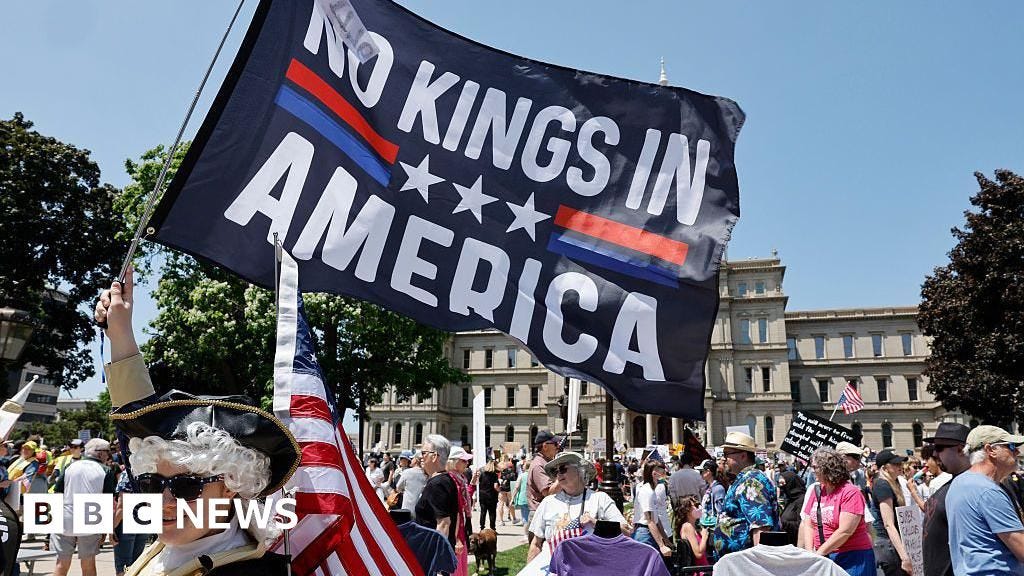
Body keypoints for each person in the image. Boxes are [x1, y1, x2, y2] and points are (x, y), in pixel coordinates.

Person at [96, 269, 299, 575]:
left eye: (186, 486)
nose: (162, 501)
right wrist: (120, 330)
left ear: (231, 487)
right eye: (152, 484)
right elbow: (137, 420)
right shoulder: (179, 544)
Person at [946, 425, 1024, 575]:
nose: (1017, 451)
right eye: (1011, 446)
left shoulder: (959, 483)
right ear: (990, 450)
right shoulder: (988, 491)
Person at [527, 452, 626, 561]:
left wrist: (596, 523)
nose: (559, 474)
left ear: (581, 471)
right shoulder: (548, 502)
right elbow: (536, 544)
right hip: (553, 568)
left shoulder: (600, 499)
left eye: (563, 469)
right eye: (556, 471)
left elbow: (626, 531)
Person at [799, 447, 875, 576]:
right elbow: (808, 523)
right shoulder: (816, 491)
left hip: (852, 558)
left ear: (828, 468)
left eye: (815, 467)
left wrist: (819, 553)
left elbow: (845, 531)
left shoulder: (850, 492)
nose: (812, 471)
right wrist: (810, 552)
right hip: (824, 557)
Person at [49, 438, 117, 576]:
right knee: (88, 563)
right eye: (107, 452)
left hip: (65, 516)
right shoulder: (106, 471)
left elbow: (57, 492)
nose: (109, 455)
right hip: (90, 518)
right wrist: (109, 529)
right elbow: (109, 502)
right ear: (100, 453)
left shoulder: (70, 466)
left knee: (61, 563)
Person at [709, 432, 779, 561]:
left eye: (726, 455)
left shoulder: (752, 481)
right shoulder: (742, 479)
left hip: (747, 563)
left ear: (742, 455)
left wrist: (761, 563)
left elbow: (760, 525)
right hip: (736, 562)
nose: (723, 459)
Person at [920, 422, 969, 576]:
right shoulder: (951, 484)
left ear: (961, 449)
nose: (934, 454)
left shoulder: (971, 487)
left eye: (939, 448)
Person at [870, 449, 914, 576]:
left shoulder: (894, 483)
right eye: (895, 464)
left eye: (900, 463)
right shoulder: (883, 485)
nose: (900, 466)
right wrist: (904, 557)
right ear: (884, 468)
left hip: (894, 543)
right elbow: (888, 524)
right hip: (888, 544)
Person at [415, 435, 461, 548]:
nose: (421, 457)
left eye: (423, 453)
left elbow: (444, 524)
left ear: (434, 456)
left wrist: (436, 556)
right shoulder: (444, 479)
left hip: (431, 551)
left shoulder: (438, 484)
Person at [633, 460, 673, 559]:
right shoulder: (647, 492)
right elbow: (650, 520)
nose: (664, 473)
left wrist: (665, 539)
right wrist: (662, 545)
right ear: (654, 473)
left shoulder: (652, 490)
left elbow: (656, 518)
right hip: (645, 533)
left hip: (649, 532)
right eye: (662, 470)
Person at [526, 431, 562, 542]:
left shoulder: (547, 462)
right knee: (538, 552)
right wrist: (563, 476)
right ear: (545, 446)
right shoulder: (539, 465)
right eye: (555, 444)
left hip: (547, 513)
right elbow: (548, 492)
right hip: (540, 516)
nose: (558, 446)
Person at [675, 495, 710, 573]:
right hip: (700, 571)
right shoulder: (688, 527)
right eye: (696, 506)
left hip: (704, 569)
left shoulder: (694, 527)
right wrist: (704, 537)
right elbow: (698, 553)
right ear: (687, 510)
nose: (699, 508)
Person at [778, 470, 806, 546]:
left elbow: (802, 524)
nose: (781, 486)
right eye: (779, 484)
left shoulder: (801, 500)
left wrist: (784, 524)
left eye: (783, 483)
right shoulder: (790, 499)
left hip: (795, 544)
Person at [395, 450, 426, 517]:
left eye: (412, 458)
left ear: (416, 460)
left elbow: (398, 487)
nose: (411, 460)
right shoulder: (427, 474)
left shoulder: (407, 472)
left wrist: (403, 490)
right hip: (421, 509)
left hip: (407, 508)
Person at [477, 459, 499, 530]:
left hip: (483, 496)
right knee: (492, 513)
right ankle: (492, 528)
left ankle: (482, 527)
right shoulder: (494, 475)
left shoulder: (482, 474)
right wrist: (500, 489)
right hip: (492, 496)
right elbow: (495, 486)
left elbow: (478, 482)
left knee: (483, 512)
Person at [512, 461, 531, 541]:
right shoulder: (533, 475)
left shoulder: (522, 476)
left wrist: (513, 498)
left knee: (525, 518)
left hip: (523, 499)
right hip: (533, 498)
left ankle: (526, 535)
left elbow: (516, 487)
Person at [498, 459, 518, 525]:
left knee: (501, 504)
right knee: (510, 503)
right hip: (509, 489)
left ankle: (501, 521)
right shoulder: (511, 472)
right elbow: (514, 480)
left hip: (501, 489)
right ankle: (514, 518)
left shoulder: (499, 472)